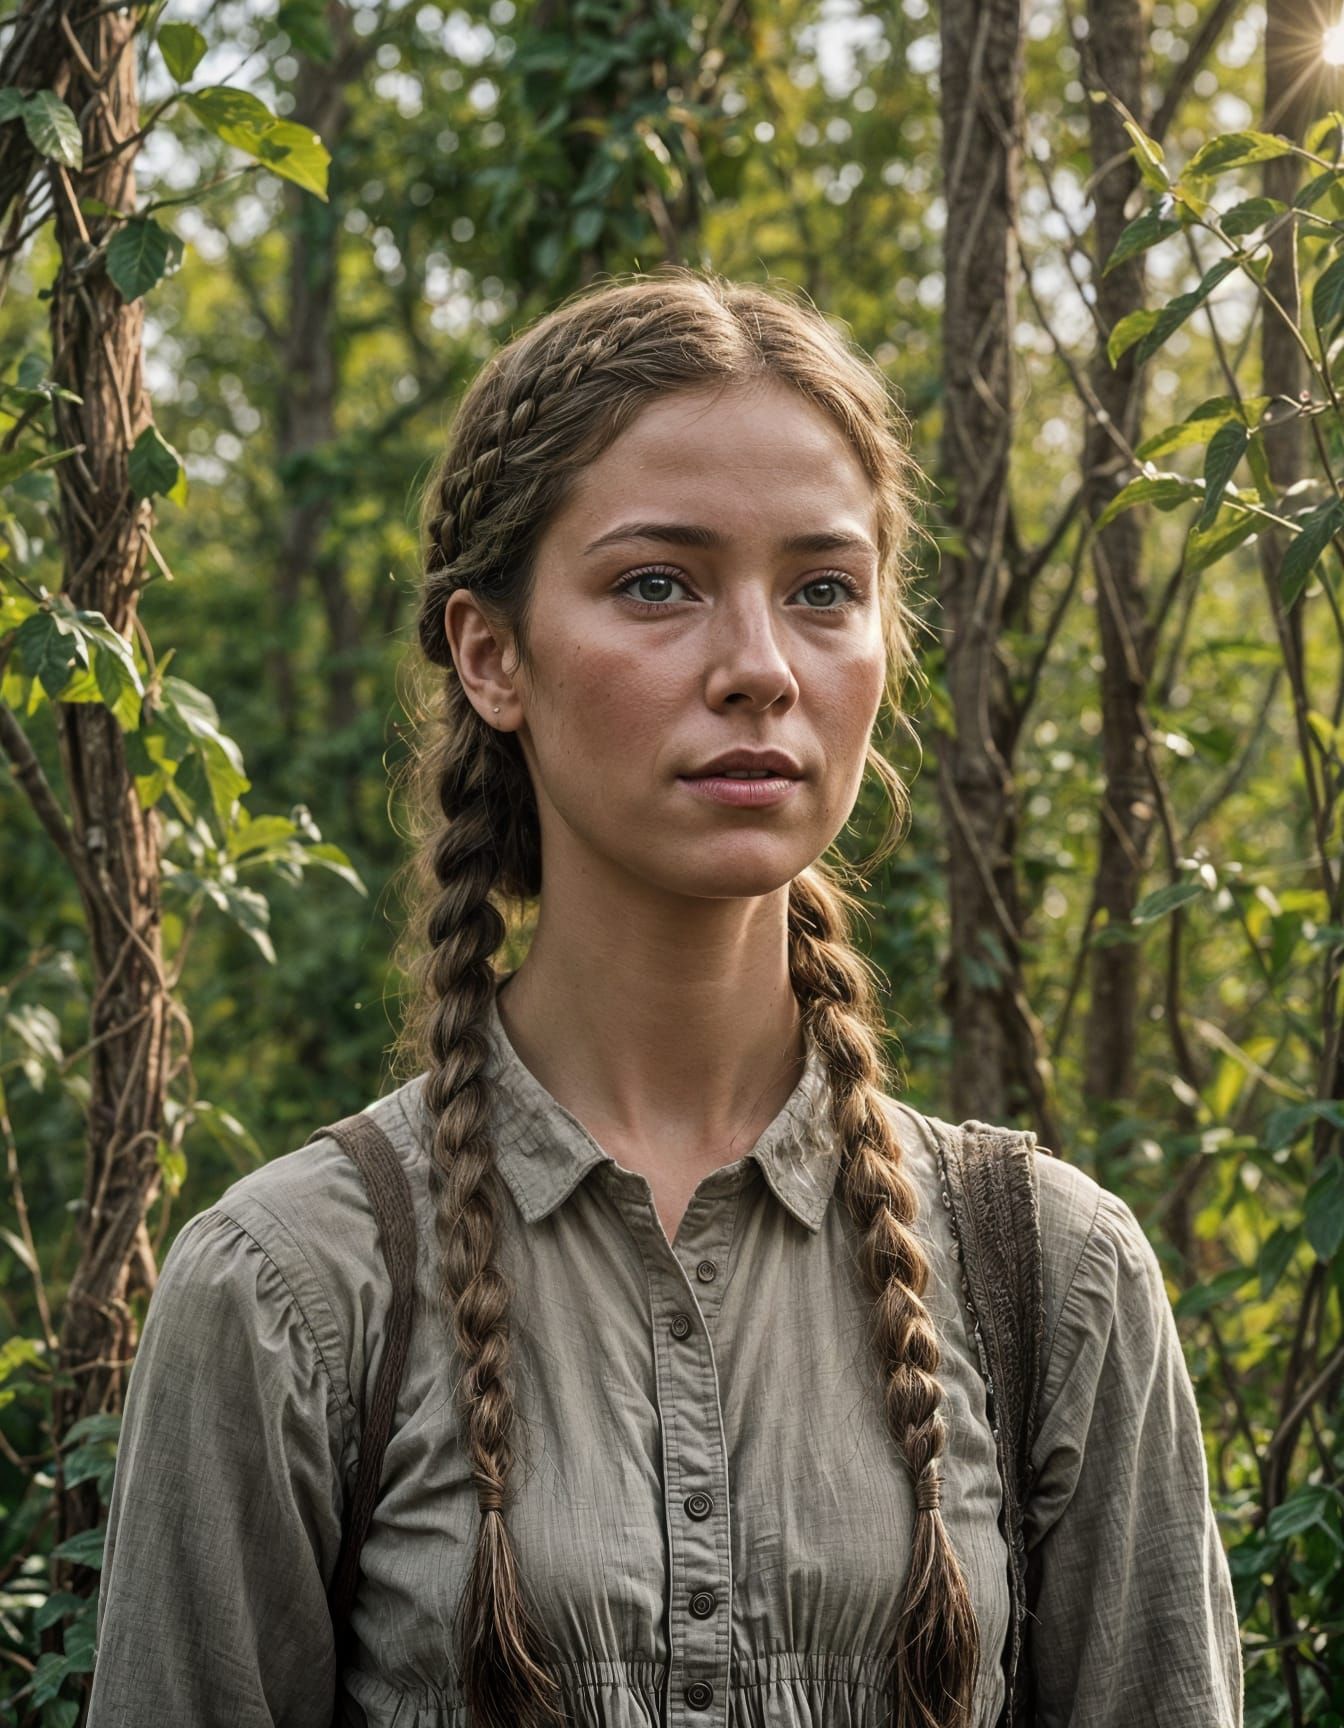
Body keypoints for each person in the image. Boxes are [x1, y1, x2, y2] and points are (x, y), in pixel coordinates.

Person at [86, 267, 1243, 1728]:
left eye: (825, 590)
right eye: (658, 585)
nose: (760, 668)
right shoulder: (291, 1296)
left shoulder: (1053, 1282)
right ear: (490, 654)